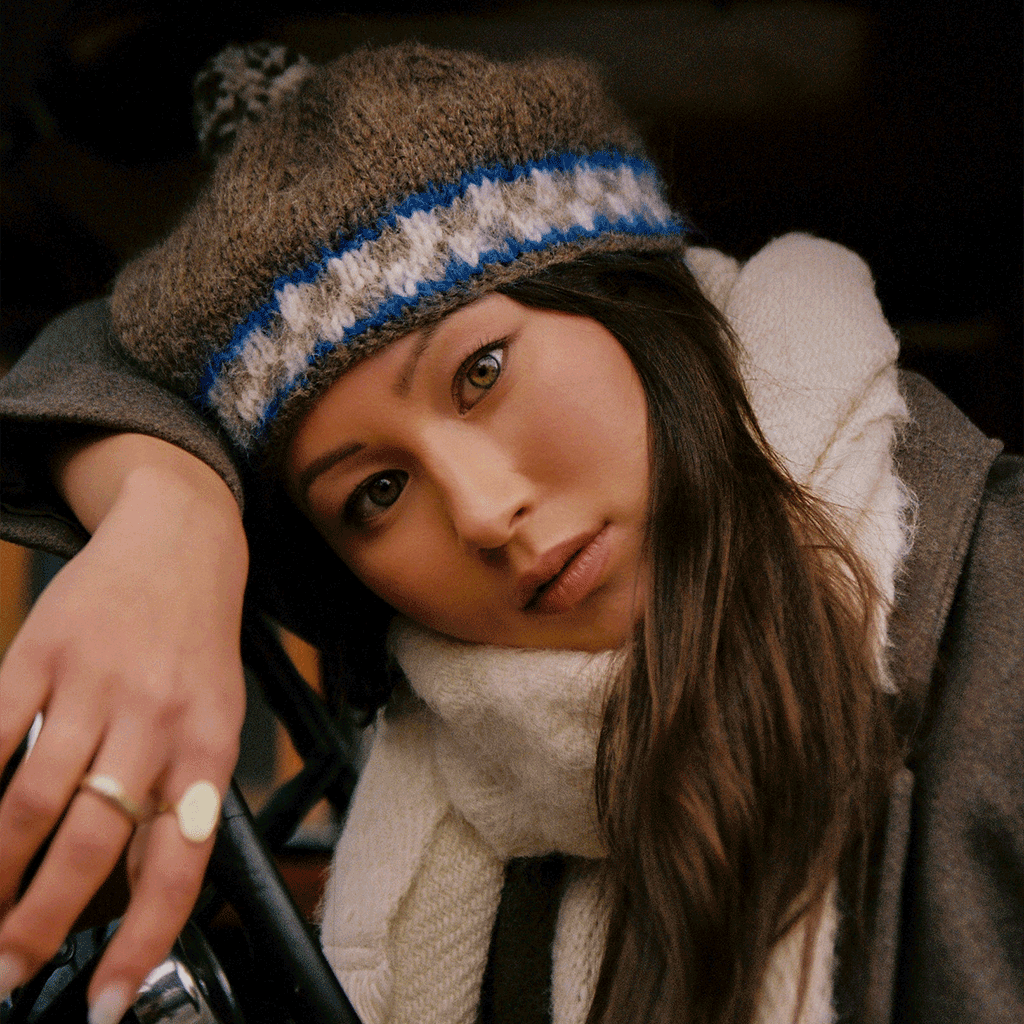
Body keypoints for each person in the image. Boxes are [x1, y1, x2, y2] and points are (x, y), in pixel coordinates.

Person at [1, 41, 1021, 1024]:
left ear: (627, 303)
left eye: (481, 373)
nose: (484, 514)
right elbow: (71, 350)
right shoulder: (488, 755)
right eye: (377, 492)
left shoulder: (999, 603)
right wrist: (168, 522)